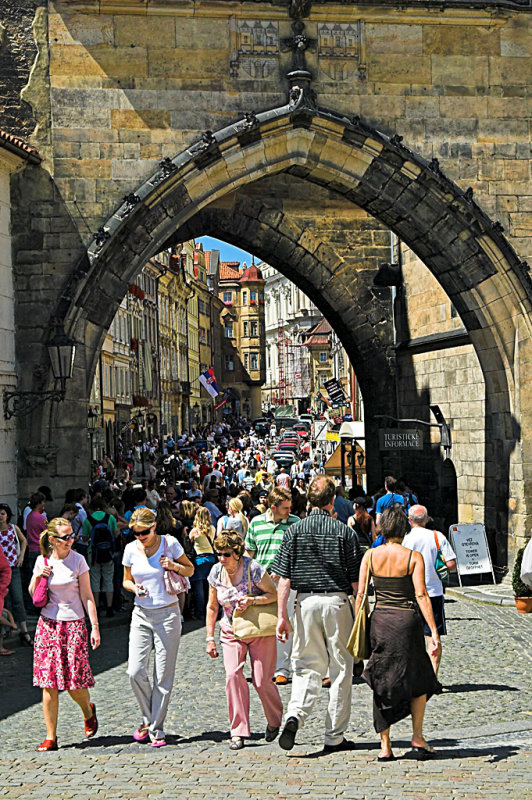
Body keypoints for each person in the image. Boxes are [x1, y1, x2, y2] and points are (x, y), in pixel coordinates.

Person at [273, 475, 362, 752]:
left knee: (305, 666)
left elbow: (283, 579)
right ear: (332, 501)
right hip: (337, 602)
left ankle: (294, 715)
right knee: (340, 669)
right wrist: (361, 616)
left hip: (306, 603)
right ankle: (334, 735)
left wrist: (281, 616)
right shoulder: (344, 532)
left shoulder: (294, 531)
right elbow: (357, 582)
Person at [356, 507, 442, 760]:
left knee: (381, 680)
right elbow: (421, 594)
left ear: (383, 529)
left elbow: (361, 595)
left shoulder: (370, 555)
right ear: (403, 529)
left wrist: (361, 625)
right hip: (407, 621)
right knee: (418, 678)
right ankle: (417, 736)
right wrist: (433, 631)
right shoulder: (413, 557)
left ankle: (385, 745)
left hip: (380, 621)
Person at [122, 507, 194, 746]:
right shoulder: (131, 549)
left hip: (168, 614)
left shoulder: (169, 543)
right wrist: (135, 588)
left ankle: (155, 728)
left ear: (153, 527)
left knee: (163, 675)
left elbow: (190, 569)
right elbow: (126, 579)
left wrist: (173, 566)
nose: (140, 537)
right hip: (141, 614)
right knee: (134, 671)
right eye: (135, 532)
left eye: (143, 532)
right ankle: (147, 717)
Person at [205, 531, 283, 751]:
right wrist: (209, 637)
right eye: (218, 554)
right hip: (230, 630)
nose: (221, 558)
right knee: (233, 676)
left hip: (258, 629)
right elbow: (212, 606)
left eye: (226, 554)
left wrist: (251, 600)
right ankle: (238, 731)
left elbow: (273, 595)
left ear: (238, 553)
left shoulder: (253, 568)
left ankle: (275, 720)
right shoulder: (216, 572)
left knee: (261, 680)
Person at [29, 518, 100, 751]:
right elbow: (33, 593)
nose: (70, 541)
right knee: (48, 683)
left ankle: (88, 711)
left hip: (74, 625)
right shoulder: (43, 560)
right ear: (52, 540)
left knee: (73, 683)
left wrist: (95, 626)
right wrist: (41, 576)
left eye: (72, 536)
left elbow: (87, 595)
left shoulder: (78, 560)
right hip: (48, 625)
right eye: (65, 537)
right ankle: (51, 736)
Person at [245, 487, 299, 685]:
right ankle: (262, 666)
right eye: (285, 508)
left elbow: (299, 553)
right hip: (260, 582)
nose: (289, 511)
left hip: (285, 581)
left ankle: (282, 668)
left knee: (284, 620)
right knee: (260, 623)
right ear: (273, 507)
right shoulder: (256, 523)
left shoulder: (295, 523)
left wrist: (285, 569)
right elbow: (249, 553)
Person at [403, 504, 456, 675]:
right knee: (432, 635)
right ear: (426, 519)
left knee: (411, 635)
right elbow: (451, 564)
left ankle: (413, 674)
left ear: (410, 521)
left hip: (411, 593)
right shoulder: (436, 536)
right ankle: (433, 675)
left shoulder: (406, 539)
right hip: (433, 592)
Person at [0, 503, 32, 645]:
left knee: (18, 599)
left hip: (13, 567)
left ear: (7, 515)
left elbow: (24, 540)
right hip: (1, 571)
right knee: (4, 602)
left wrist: (21, 556)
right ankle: (6, 631)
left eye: (3, 513)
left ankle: (24, 631)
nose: (0, 516)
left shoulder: (13, 528)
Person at [82, 496, 119, 618]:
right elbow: (115, 534)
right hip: (108, 553)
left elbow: (85, 538)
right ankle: (109, 607)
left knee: (95, 580)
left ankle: (96, 607)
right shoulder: (110, 518)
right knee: (108, 580)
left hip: (94, 554)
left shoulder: (88, 520)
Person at [189, 506, 216, 620]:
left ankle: (200, 613)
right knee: (209, 586)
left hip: (199, 559)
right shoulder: (212, 528)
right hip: (211, 558)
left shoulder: (194, 531)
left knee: (198, 588)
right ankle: (210, 609)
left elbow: (189, 542)